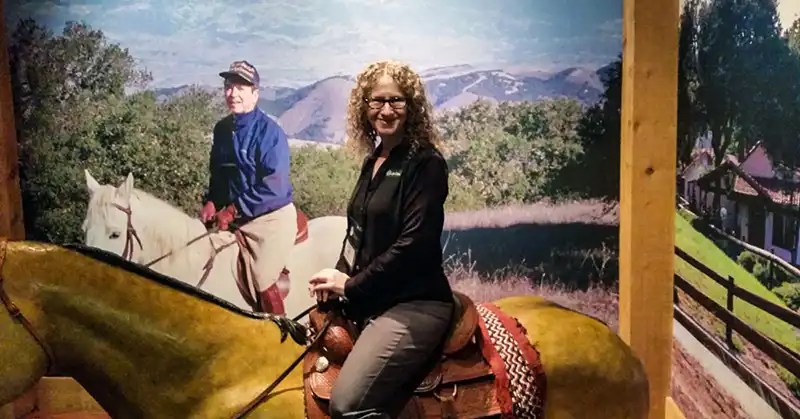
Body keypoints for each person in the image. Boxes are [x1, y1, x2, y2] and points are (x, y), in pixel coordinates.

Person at [308, 60, 455, 418]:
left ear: (412, 107)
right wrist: (336, 275)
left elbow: (414, 245)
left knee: (347, 404)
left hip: (415, 305)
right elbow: (356, 233)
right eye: (376, 101)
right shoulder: (374, 160)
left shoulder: (427, 163)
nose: (386, 110)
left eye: (396, 100)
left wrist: (353, 285)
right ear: (364, 107)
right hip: (374, 298)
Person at [200, 59, 297, 316]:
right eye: (229, 87)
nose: (233, 94)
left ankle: (281, 333)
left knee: (262, 275)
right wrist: (212, 201)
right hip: (236, 215)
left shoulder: (270, 133)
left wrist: (233, 210)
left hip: (270, 217)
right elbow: (219, 176)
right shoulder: (221, 130)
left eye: (241, 88)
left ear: (255, 93)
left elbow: (274, 186)